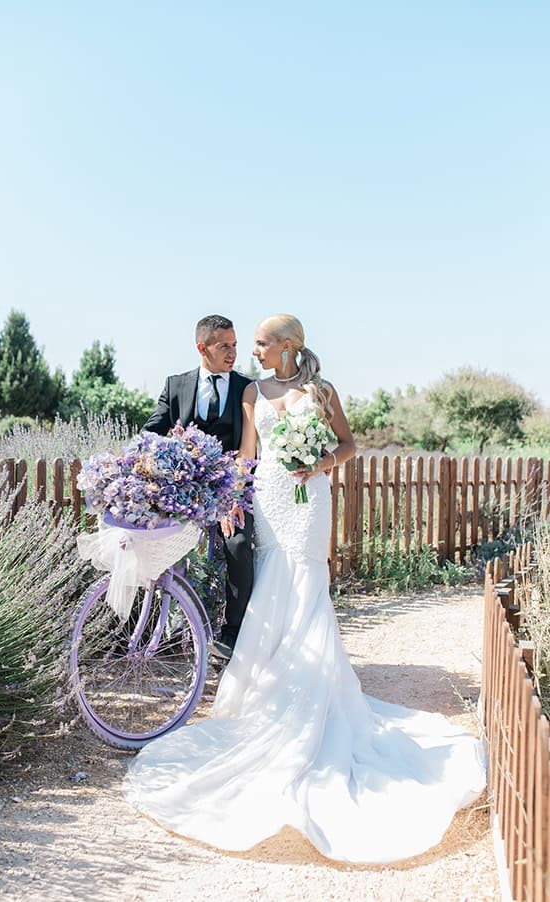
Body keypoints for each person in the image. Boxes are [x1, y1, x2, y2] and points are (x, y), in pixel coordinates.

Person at [124, 314, 486, 864]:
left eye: (263, 344)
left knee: (307, 585)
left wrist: (315, 462)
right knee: (272, 585)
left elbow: (349, 446)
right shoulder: (254, 394)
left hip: (309, 500)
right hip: (269, 499)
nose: (254, 352)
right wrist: (230, 499)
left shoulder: (322, 390)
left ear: (287, 347)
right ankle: (270, 692)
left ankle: (317, 694)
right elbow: (247, 456)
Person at [143, 313, 253, 659]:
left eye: (235, 345)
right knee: (159, 545)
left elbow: (249, 448)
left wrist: (233, 493)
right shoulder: (176, 385)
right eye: (224, 346)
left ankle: (233, 633)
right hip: (184, 490)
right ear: (202, 348)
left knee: (237, 545)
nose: (232, 353)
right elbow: (152, 432)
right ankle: (169, 631)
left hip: (232, 487)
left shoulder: (245, 388)